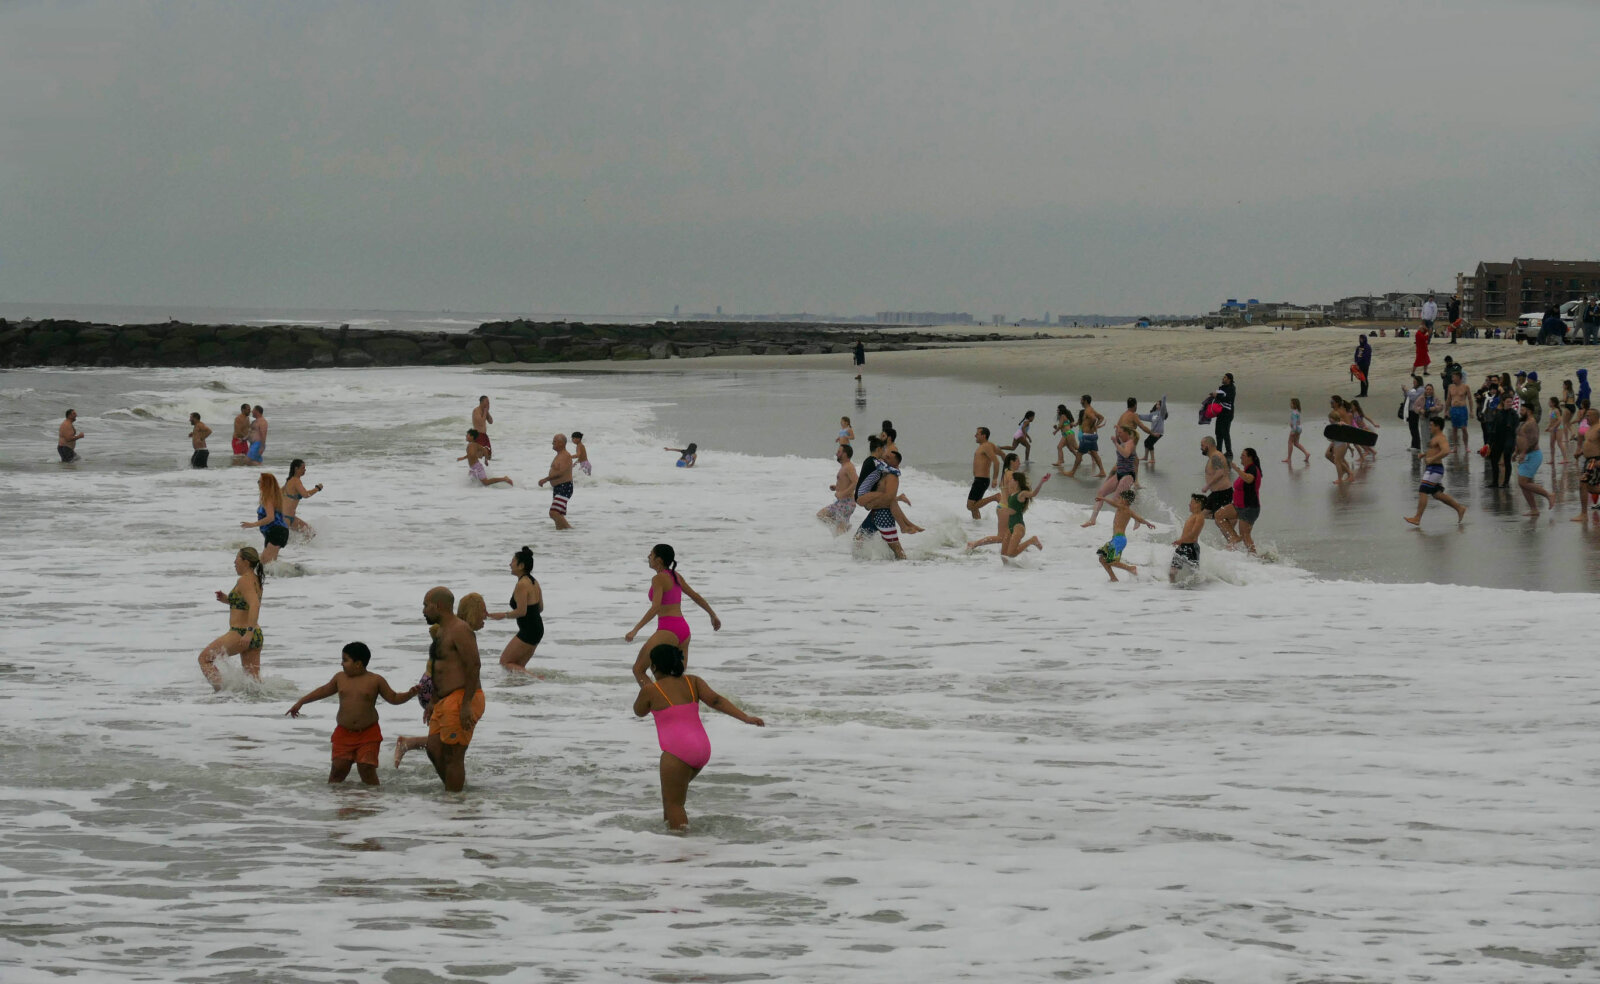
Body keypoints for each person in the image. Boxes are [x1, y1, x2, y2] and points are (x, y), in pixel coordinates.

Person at [632, 642, 764, 830]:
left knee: (674, 804)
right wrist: (746, 718)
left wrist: (643, 681)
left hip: (677, 751)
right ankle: (668, 843)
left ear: (653, 667)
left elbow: (639, 711)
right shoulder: (693, 681)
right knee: (670, 798)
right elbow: (716, 700)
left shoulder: (651, 690)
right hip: (702, 749)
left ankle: (684, 849)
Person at [287, 642, 417, 786]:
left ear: (358, 664)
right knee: (338, 770)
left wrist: (409, 694)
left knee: (366, 769)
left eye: (345, 660)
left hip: (368, 733)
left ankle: (374, 803)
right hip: (343, 733)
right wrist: (301, 702)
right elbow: (323, 691)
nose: (341, 663)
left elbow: (393, 698)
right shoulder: (340, 678)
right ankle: (337, 802)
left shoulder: (375, 680)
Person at [400, 587, 484, 792]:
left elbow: (474, 667)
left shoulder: (460, 630)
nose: (423, 611)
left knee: (453, 755)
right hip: (443, 699)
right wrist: (433, 701)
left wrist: (466, 704)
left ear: (438, 606)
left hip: (462, 697)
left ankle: (455, 804)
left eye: (425, 606)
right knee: (434, 748)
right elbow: (440, 669)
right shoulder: (441, 631)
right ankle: (455, 793)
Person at [628, 544, 721, 685]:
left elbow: (655, 607)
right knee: (674, 680)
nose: (648, 557)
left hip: (668, 630)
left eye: (651, 554)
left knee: (638, 669)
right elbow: (695, 595)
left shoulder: (658, 579)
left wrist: (635, 630)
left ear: (659, 560)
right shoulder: (675, 576)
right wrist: (712, 615)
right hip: (683, 631)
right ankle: (677, 704)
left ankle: (659, 701)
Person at [198, 547, 265, 689]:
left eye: (237, 558)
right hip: (255, 635)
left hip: (241, 633)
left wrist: (248, 632)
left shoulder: (244, 581)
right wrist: (227, 599)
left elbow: (254, 605)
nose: (234, 562)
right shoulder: (255, 579)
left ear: (245, 562)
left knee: (204, 659)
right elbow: (246, 604)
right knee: (253, 684)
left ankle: (222, 693)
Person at [487, 545, 544, 674]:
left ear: (521, 565)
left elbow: (521, 612)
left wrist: (503, 615)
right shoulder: (534, 582)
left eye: (512, 561)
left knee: (505, 662)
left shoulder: (522, 584)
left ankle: (537, 679)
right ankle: (524, 689)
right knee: (517, 667)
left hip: (529, 631)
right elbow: (540, 607)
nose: (510, 564)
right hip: (537, 628)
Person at [1404, 417, 1467, 527]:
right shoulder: (1435, 437)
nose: (1429, 427)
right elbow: (1435, 450)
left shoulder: (1441, 438)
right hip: (1432, 468)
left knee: (1423, 490)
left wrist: (1432, 459)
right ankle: (1459, 508)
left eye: (1431, 425)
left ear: (1437, 426)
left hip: (1435, 469)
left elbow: (1446, 451)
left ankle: (1417, 518)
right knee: (1437, 494)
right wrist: (1425, 455)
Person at [854, 447, 909, 559]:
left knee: (896, 548)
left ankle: (907, 568)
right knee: (858, 539)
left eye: (888, 457)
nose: (884, 457)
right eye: (885, 455)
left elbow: (888, 498)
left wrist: (870, 504)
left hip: (884, 514)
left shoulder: (892, 476)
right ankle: (866, 566)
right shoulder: (882, 472)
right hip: (875, 514)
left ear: (895, 463)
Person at [1082, 425, 1139, 526]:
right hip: (1119, 474)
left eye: (1120, 433)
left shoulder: (1130, 443)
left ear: (1127, 433)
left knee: (1116, 500)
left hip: (1128, 475)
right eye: (1118, 433)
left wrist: (1115, 443)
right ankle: (1092, 520)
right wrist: (1109, 477)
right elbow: (1119, 461)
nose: (1118, 434)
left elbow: (1126, 454)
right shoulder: (1123, 443)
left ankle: (1136, 519)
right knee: (1100, 493)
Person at [1095, 491, 1154, 582]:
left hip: (1119, 539)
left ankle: (1130, 568)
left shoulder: (1123, 508)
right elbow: (1140, 519)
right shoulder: (1129, 511)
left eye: (1120, 498)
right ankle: (1113, 578)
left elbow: (1113, 503)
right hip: (1116, 539)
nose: (1118, 500)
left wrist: (1103, 498)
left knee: (1111, 561)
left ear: (1125, 500)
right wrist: (1148, 524)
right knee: (1102, 558)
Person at [1214, 447, 1262, 553]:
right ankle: (1234, 537)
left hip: (1249, 508)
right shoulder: (1247, 469)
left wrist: (1236, 469)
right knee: (1219, 515)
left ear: (1250, 458)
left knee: (1246, 536)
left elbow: (1249, 479)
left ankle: (1255, 558)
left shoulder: (1253, 469)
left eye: (1243, 455)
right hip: (1238, 506)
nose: (1240, 457)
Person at [996, 471, 1048, 558]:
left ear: (1017, 481)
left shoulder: (1021, 494)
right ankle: (1007, 571)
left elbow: (1033, 494)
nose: (1010, 480)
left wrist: (1041, 482)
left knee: (1011, 554)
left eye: (1012, 479)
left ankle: (1032, 540)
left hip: (1018, 526)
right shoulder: (1012, 493)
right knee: (1003, 555)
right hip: (1011, 527)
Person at [241, 472, 290, 563]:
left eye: (259, 482)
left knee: (264, 563)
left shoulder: (268, 498)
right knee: (269, 564)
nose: (258, 484)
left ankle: (297, 572)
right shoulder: (274, 496)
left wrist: (253, 524)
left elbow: (270, 518)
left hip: (276, 532)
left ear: (265, 484)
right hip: (277, 532)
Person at [1514, 405, 1554, 515]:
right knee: (1525, 484)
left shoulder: (1531, 423)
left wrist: (1524, 452)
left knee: (1522, 482)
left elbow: (1534, 440)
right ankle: (1534, 509)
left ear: (1529, 411)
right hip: (1526, 455)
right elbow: (1520, 438)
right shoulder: (1524, 422)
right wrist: (1516, 452)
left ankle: (1548, 495)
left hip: (1532, 455)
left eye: (1522, 410)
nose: (1520, 412)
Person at [818, 443, 859, 534]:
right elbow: (848, 482)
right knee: (821, 515)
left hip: (847, 502)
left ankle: (843, 530)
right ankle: (844, 528)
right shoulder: (845, 467)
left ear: (844, 454)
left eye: (839, 452)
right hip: (842, 502)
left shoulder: (849, 467)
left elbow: (856, 482)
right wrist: (837, 488)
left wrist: (842, 493)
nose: (836, 454)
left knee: (837, 531)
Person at [538, 434, 575, 529]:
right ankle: (562, 536)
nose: (552, 443)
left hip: (565, 487)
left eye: (554, 442)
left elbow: (561, 472)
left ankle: (570, 531)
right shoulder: (559, 455)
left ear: (561, 443)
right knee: (558, 515)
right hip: (558, 487)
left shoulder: (566, 455)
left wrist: (546, 479)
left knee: (554, 513)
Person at [1169, 493, 1207, 582]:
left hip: (1191, 547)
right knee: (1172, 573)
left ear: (1199, 504)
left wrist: (1180, 540)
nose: (1189, 504)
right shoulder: (1192, 516)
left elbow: (1194, 534)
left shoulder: (1199, 517)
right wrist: (1181, 542)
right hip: (1182, 546)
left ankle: (1196, 592)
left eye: (1192, 502)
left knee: (1194, 573)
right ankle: (1172, 591)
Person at [967, 427, 1003, 519]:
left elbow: (996, 462)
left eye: (977, 434)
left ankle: (995, 497)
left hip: (981, 480)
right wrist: (1007, 471)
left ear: (983, 436)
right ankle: (977, 527)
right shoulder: (989, 445)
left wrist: (995, 478)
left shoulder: (986, 446)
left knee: (970, 506)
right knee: (974, 507)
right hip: (980, 480)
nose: (975, 435)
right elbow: (1003, 455)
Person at [1572, 409, 1600, 523]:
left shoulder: (1598, 428)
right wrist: (1581, 452)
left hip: (1595, 461)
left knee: (1583, 482)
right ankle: (1583, 514)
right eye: (1586, 416)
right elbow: (1591, 444)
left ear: (1595, 416)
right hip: (1588, 460)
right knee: (1587, 487)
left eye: (1588, 416)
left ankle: (1584, 514)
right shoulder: (1589, 429)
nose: (1586, 418)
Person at [1066, 395, 1105, 477]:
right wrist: (1095, 426)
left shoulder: (1087, 411)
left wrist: (1092, 426)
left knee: (1079, 453)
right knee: (1094, 453)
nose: (1080, 401)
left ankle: (1072, 472)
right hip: (1092, 435)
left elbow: (1094, 419)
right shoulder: (1091, 409)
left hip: (1087, 436)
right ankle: (1102, 471)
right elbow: (1101, 418)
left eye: (1081, 400)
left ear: (1085, 401)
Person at [282, 459, 323, 535]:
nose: (305, 470)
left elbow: (279, 493)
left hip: (289, 517)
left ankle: (299, 547)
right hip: (286, 517)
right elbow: (305, 495)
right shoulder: (295, 481)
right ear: (296, 469)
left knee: (311, 533)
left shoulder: (289, 480)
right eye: (303, 468)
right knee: (311, 533)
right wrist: (317, 488)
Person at [1198, 436, 1233, 525]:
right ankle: (1228, 518)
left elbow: (1220, 472)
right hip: (1217, 494)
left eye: (1202, 445)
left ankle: (1231, 518)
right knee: (1200, 514)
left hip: (1222, 494)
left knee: (1214, 517)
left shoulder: (1215, 457)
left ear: (1208, 446)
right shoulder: (1214, 456)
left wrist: (1207, 485)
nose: (1201, 448)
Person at [1325, 396, 1354, 485]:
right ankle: (1346, 472)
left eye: (1332, 401)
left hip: (1342, 440)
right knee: (1329, 455)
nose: (1330, 403)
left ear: (1337, 403)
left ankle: (1348, 474)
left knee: (1338, 459)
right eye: (1330, 401)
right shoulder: (1334, 412)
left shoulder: (1341, 412)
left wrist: (1348, 443)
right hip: (1336, 440)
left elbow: (1348, 426)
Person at [1446, 370, 1472, 452]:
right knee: (1454, 428)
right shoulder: (1450, 386)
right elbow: (1448, 399)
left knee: (1464, 428)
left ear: (1458, 377)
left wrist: (1471, 411)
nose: (1452, 378)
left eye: (1453, 377)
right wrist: (1446, 410)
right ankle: (1455, 447)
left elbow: (1470, 399)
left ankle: (1466, 446)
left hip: (1462, 409)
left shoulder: (1465, 387)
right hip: (1454, 409)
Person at [1212, 373, 1237, 459]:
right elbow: (1219, 397)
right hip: (1220, 413)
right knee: (1218, 432)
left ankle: (1229, 452)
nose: (1223, 378)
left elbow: (1228, 399)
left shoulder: (1231, 388)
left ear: (1229, 379)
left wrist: (1217, 396)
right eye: (1223, 377)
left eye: (1225, 377)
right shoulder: (1222, 387)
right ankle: (1219, 451)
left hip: (1228, 414)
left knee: (1225, 433)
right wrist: (1213, 395)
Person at [1138, 396, 1168, 465]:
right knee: (1146, 442)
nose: (1157, 405)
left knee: (1150, 443)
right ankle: (1145, 457)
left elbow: (1163, 407)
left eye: (1158, 404)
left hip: (1158, 432)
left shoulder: (1162, 413)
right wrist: (1138, 416)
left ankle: (1153, 459)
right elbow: (1147, 417)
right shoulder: (1153, 414)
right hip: (1153, 432)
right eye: (1156, 404)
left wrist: (1163, 400)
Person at [1283, 398, 1310, 463]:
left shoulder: (1294, 413)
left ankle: (1289, 458)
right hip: (1299, 429)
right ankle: (1306, 453)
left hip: (1295, 429)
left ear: (1294, 405)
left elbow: (1294, 422)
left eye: (1291, 403)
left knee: (1290, 442)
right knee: (1296, 443)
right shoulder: (1297, 411)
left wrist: (1293, 430)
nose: (1290, 404)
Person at [1402, 375, 1425, 452]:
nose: (1413, 383)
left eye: (1415, 382)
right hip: (1410, 410)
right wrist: (1405, 391)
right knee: (1412, 428)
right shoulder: (1414, 389)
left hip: (1415, 411)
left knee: (1414, 428)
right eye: (1413, 382)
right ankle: (1413, 444)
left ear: (1418, 382)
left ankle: (1417, 445)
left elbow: (1414, 397)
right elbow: (1407, 397)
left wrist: (1407, 391)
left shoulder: (1421, 389)